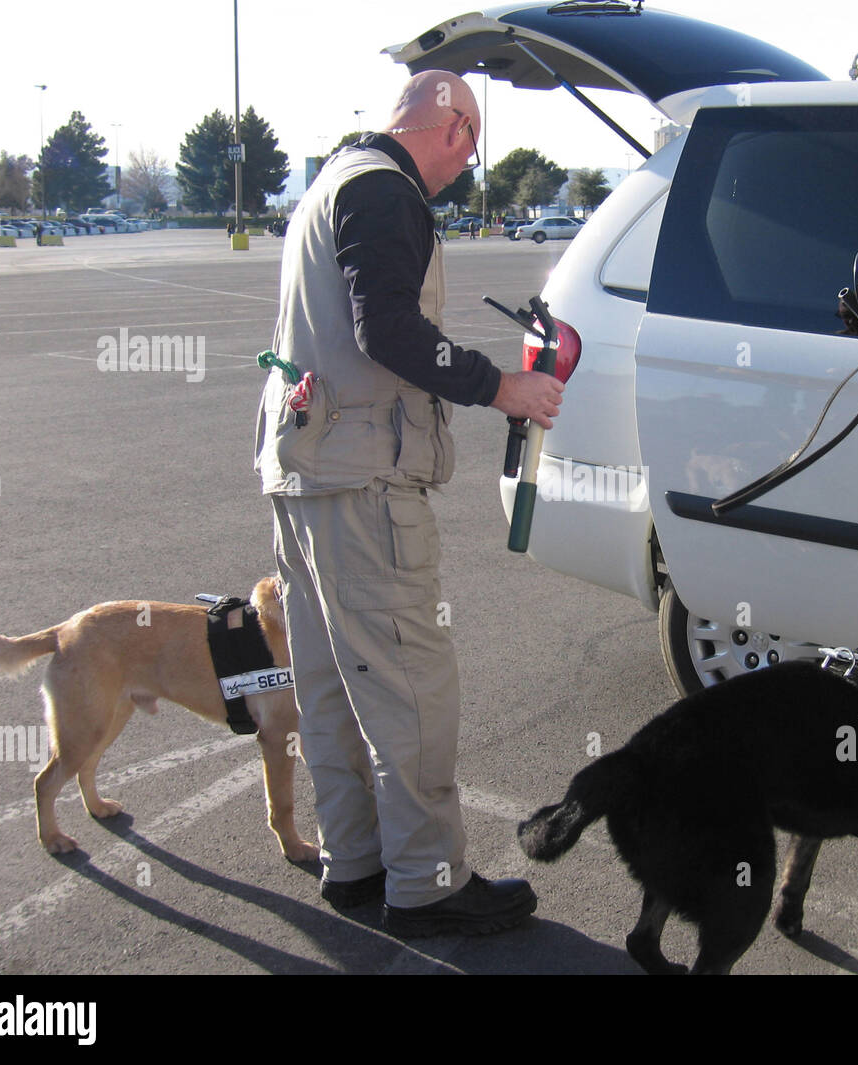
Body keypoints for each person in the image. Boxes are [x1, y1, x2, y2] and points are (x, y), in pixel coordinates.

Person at [254, 70, 564, 936]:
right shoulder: (386, 191)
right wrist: (498, 386)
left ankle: (353, 863)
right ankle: (427, 883)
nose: (465, 168)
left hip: (303, 471)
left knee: (330, 684)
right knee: (410, 684)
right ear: (448, 121)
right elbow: (385, 328)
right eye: (468, 145)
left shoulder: (331, 183)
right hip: (361, 481)